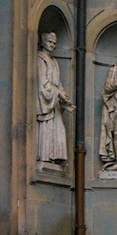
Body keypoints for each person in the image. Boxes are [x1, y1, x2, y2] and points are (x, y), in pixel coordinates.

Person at [36, 32, 74, 164]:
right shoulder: (40, 59)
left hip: (55, 103)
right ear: (43, 42)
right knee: (47, 129)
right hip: (47, 102)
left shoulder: (54, 61)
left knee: (59, 130)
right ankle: (45, 157)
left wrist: (64, 97)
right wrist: (58, 92)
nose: (52, 45)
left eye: (54, 43)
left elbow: (58, 83)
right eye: (49, 41)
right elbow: (43, 83)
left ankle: (53, 158)